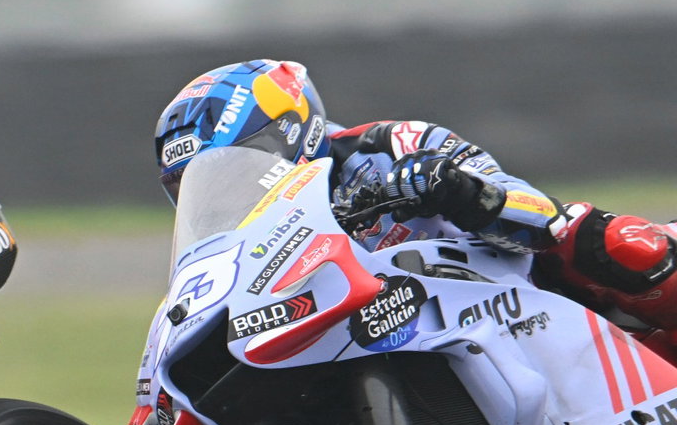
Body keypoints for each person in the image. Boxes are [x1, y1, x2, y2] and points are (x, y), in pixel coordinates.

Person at [152, 58, 677, 346]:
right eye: (193, 185)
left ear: (289, 132)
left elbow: (536, 214)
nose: (224, 186)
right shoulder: (235, 253)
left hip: (520, 309)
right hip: (395, 350)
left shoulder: (389, 145)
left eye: (236, 163)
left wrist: (457, 189)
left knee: (624, 245)